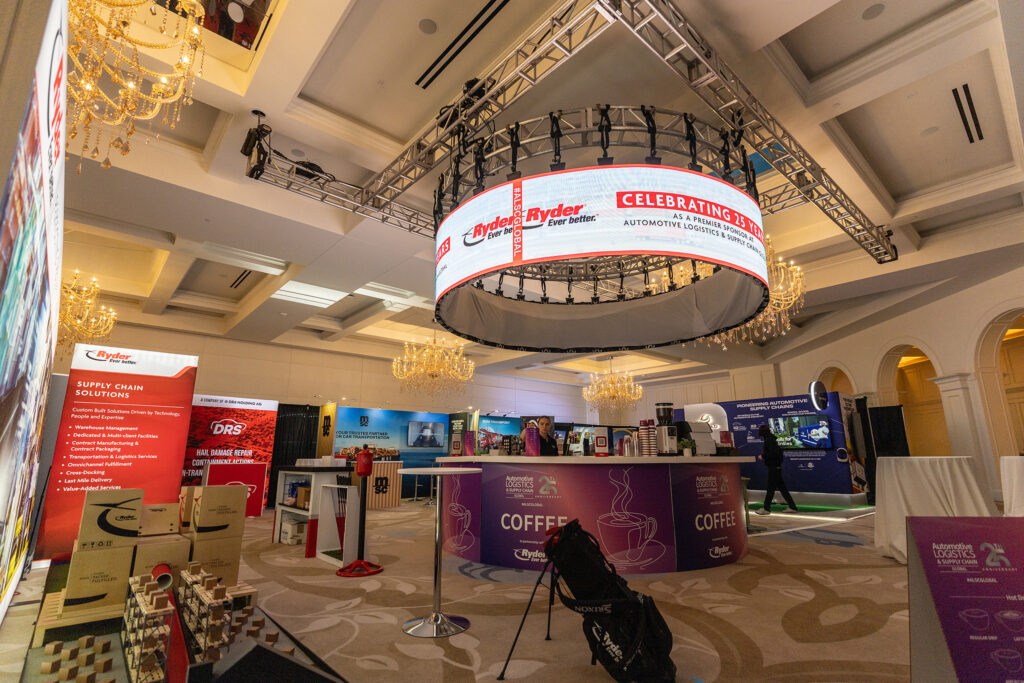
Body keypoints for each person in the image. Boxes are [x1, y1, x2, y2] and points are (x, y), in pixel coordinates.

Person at [755, 424, 798, 515]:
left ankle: (766, 509)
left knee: (770, 489)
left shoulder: (769, 440)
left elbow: (773, 454)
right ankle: (792, 507)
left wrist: (762, 456)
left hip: (773, 467)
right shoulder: (772, 439)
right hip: (776, 466)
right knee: (782, 488)